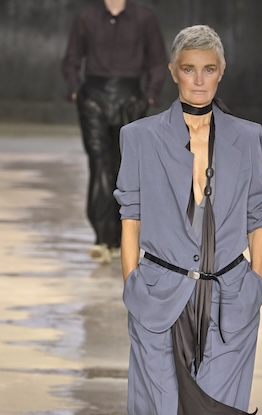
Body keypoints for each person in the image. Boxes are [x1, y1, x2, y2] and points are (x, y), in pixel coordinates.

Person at [114, 25, 262, 415]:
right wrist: (132, 283)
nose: (199, 80)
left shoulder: (246, 137)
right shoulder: (139, 137)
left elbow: (258, 213)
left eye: (209, 69)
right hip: (159, 292)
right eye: (189, 69)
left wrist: (256, 284)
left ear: (221, 73)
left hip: (230, 298)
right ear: (173, 72)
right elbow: (129, 214)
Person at [62, 0, 167, 264]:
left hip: (130, 97)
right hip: (93, 97)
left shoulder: (144, 16)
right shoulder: (87, 17)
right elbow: (72, 58)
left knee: (124, 167)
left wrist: (150, 95)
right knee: (99, 163)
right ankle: (101, 237)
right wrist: (75, 89)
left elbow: (158, 59)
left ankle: (121, 238)